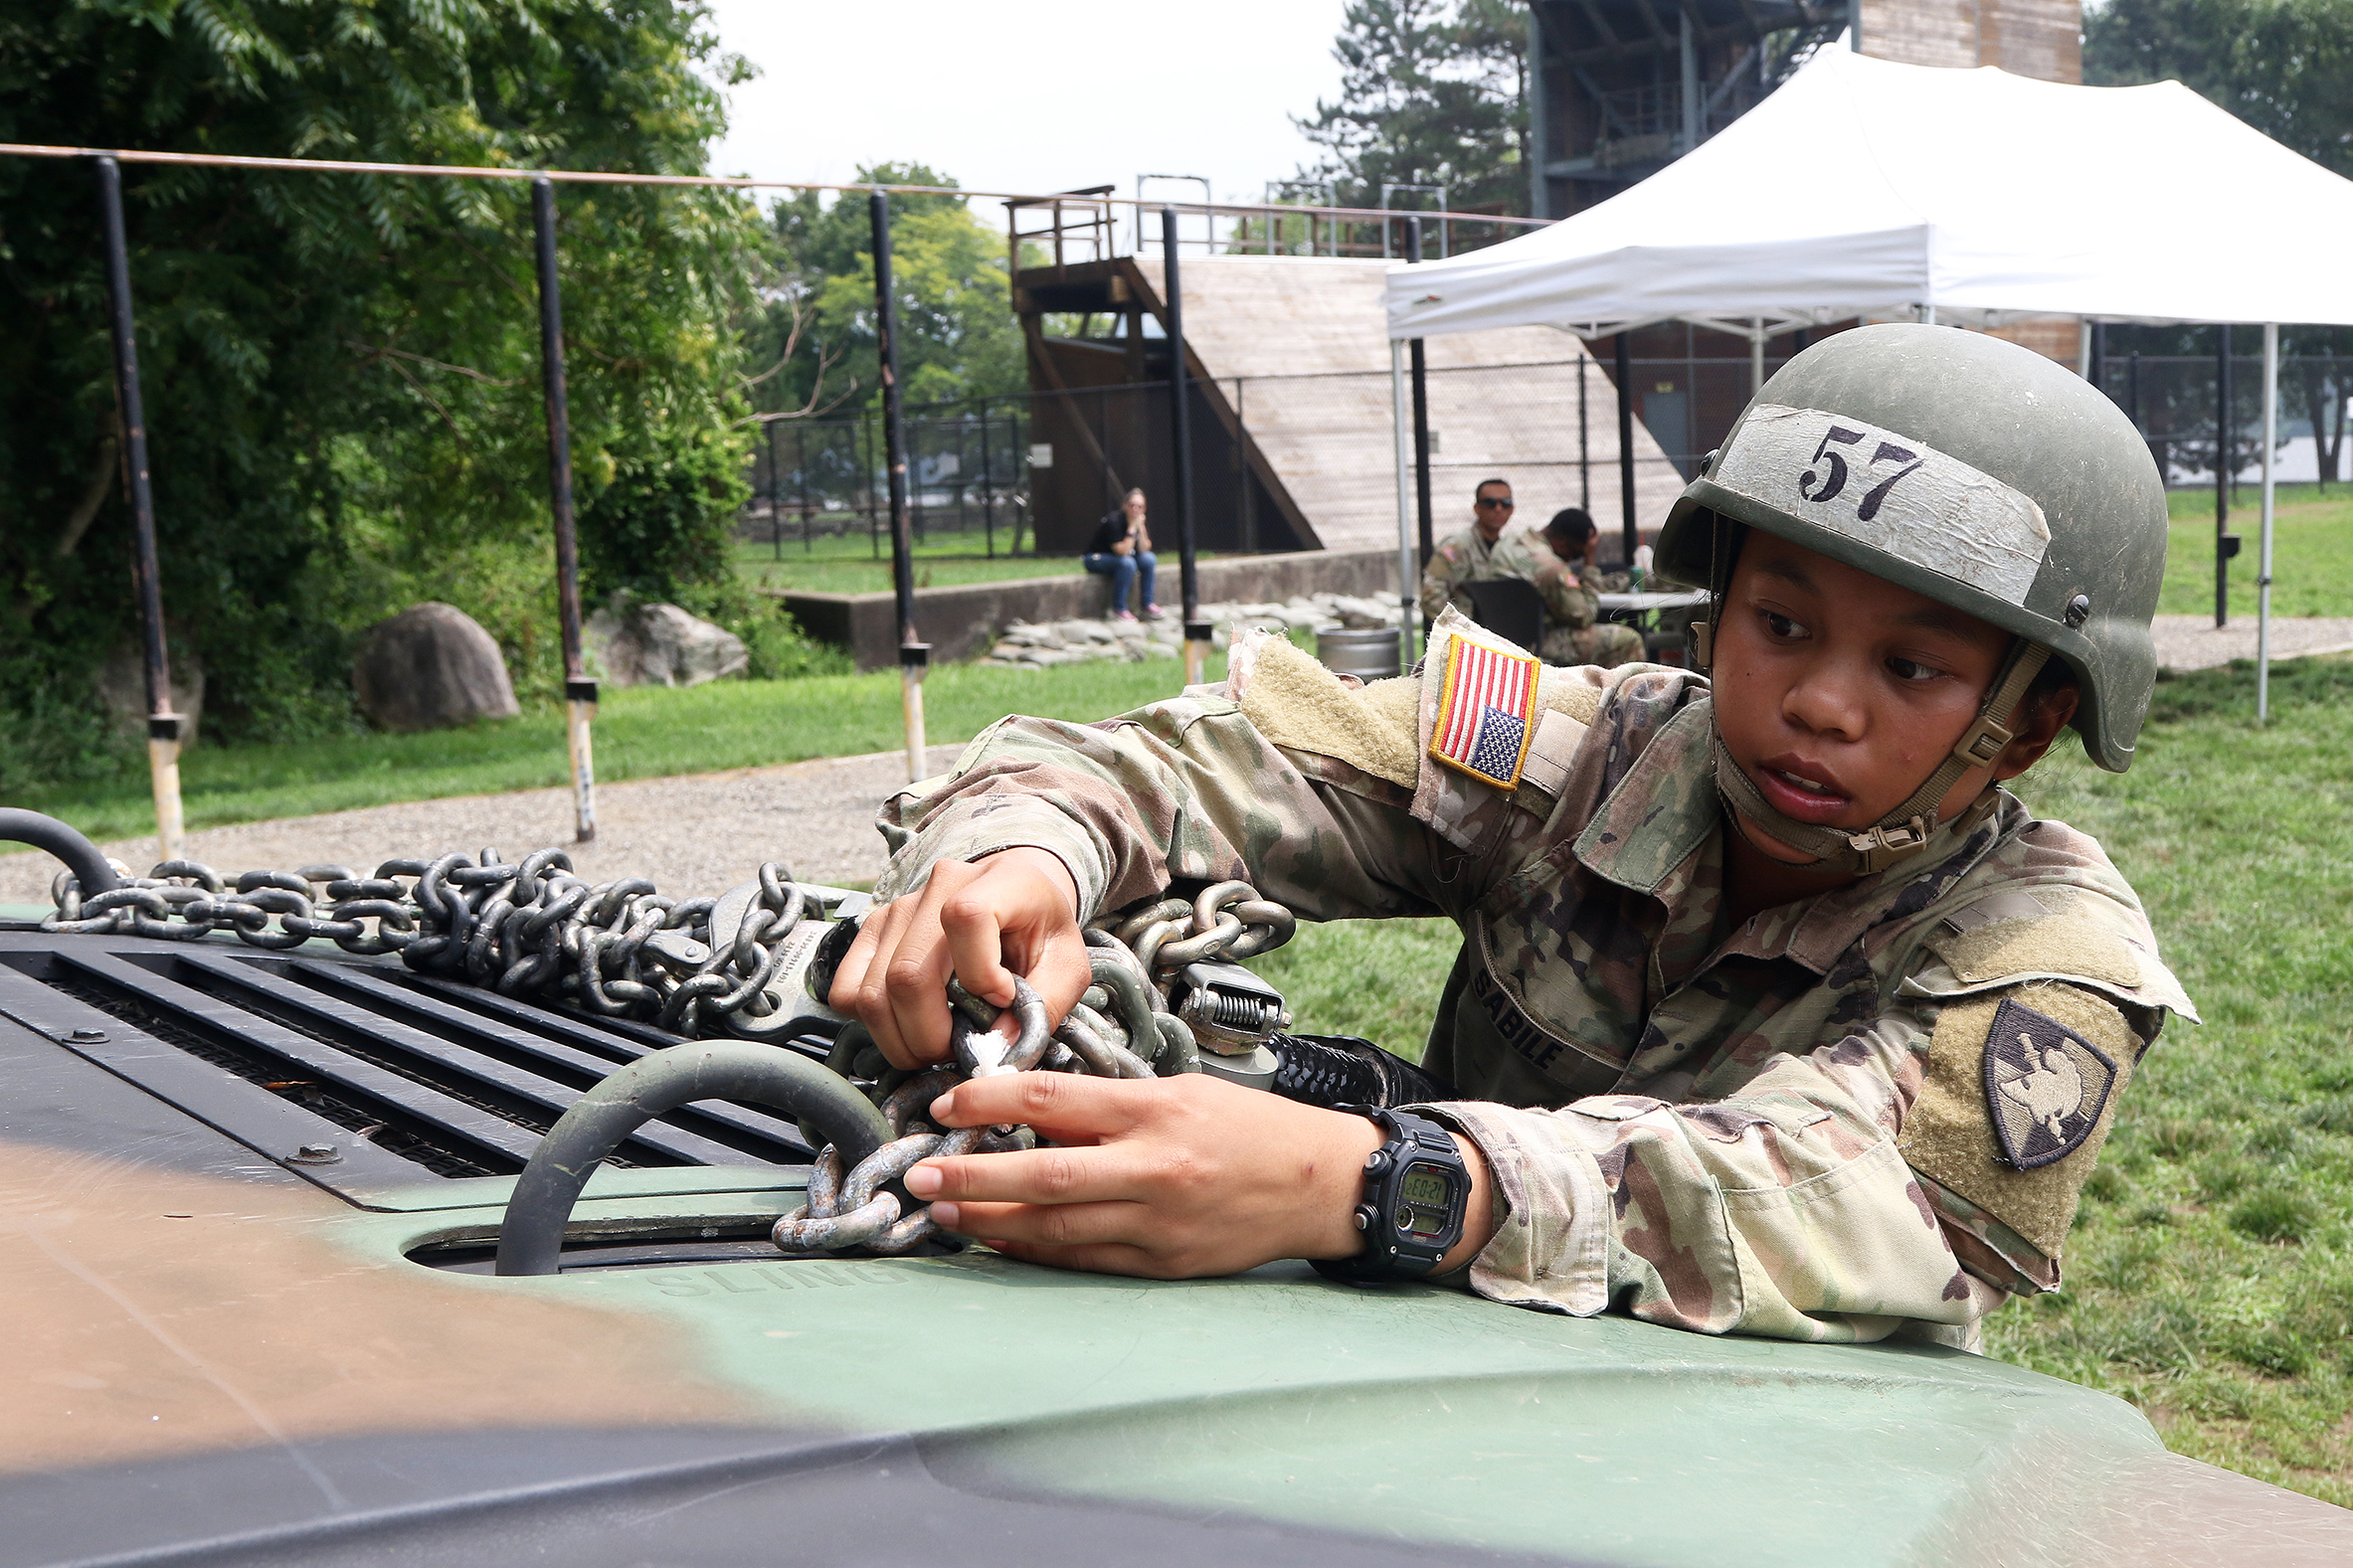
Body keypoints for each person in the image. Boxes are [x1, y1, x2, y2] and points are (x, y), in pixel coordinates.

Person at [830, 324, 2193, 1351]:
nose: (1820, 703)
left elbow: (1868, 1207)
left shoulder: (2043, 947)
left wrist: (1379, 1184)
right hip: (1433, 1370)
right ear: (1713, 614)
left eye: (1911, 669)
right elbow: (1188, 757)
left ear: (2019, 728)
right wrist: (1025, 857)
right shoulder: (1575, 745)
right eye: (1781, 624)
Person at [1420, 480, 1641, 667]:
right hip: (1492, 639)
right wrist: (1467, 637)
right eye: (1490, 503)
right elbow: (1431, 595)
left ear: (1512, 509)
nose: (1498, 509)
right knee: (1625, 640)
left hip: (1509, 635)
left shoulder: (1505, 547)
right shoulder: (1459, 546)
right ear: (1477, 508)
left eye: (1505, 503)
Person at [1083, 488, 1162, 622]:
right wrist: (1131, 529)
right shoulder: (1113, 521)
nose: (1135, 509)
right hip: (1096, 558)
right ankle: (1118, 609)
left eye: (1140, 506)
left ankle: (1147, 605)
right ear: (1124, 505)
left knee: (1149, 559)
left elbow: (1144, 549)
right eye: (1132, 505)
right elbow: (1122, 551)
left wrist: (1141, 528)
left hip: (1120, 558)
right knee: (1127, 563)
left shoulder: (1140, 521)